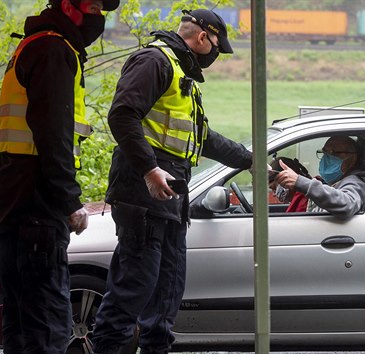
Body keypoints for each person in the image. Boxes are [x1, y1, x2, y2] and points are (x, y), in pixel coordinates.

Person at [91, 9, 253, 354]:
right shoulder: (155, 61)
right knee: (135, 286)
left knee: (167, 290)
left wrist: (251, 161)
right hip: (142, 192)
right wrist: (150, 170)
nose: (214, 55)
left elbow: (203, 138)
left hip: (169, 199)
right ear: (203, 38)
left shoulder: (181, 74)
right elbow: (122, 115)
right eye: (215, 47)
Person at [0, 0, 119, 352]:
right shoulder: (54, 50)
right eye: (93, 5)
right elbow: (53, 134)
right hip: (36, 204)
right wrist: (69, 201)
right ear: (68, 6)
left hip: (12, 196)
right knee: (46, 322)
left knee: (22, 321)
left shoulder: (34, 44)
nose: (99, 16)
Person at [274, 136, 365, 218]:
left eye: (333, 153)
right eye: (325, 152)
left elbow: (347, 204)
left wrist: (300, 182)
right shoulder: (334, 181)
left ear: (353, 157)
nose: (326, 157)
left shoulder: (356, 182)